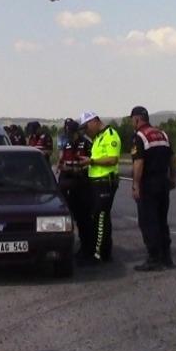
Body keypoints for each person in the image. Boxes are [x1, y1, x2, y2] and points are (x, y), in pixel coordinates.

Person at [130, 106, 176, 271]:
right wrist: (173, 177)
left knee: (148, 221)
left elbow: (139, 162)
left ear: (136, 119)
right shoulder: (163, 134)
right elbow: (172, 158)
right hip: (163, 182)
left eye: (132, 121)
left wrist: (136, 185)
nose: (132, 124)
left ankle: (153, 258)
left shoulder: (139, 137)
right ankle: (167, 257)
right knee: (162, 221)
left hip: (148, 184)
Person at [78, 111, 121, 263]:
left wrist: (91, 162)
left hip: (105, 182)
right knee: (97, 217)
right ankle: (103, 251)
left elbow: (112, 159)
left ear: (95, 121)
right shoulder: (97, 138)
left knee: (101, 218)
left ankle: (99, 254)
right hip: (96, 182)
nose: (86, 130)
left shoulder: (110, 134)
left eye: (86, 126)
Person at [57, 118, 93, 260]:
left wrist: (75, 169)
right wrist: (63, 166)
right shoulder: (67, 144)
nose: (69, 134)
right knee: (70, 219)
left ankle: (88, 249)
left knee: (84, 220)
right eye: (67, 132)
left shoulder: (86, 143)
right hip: (67, 184)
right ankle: (75, 248)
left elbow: (91, 163)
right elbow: (62, 163)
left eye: (71, 132)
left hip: (82, 185)